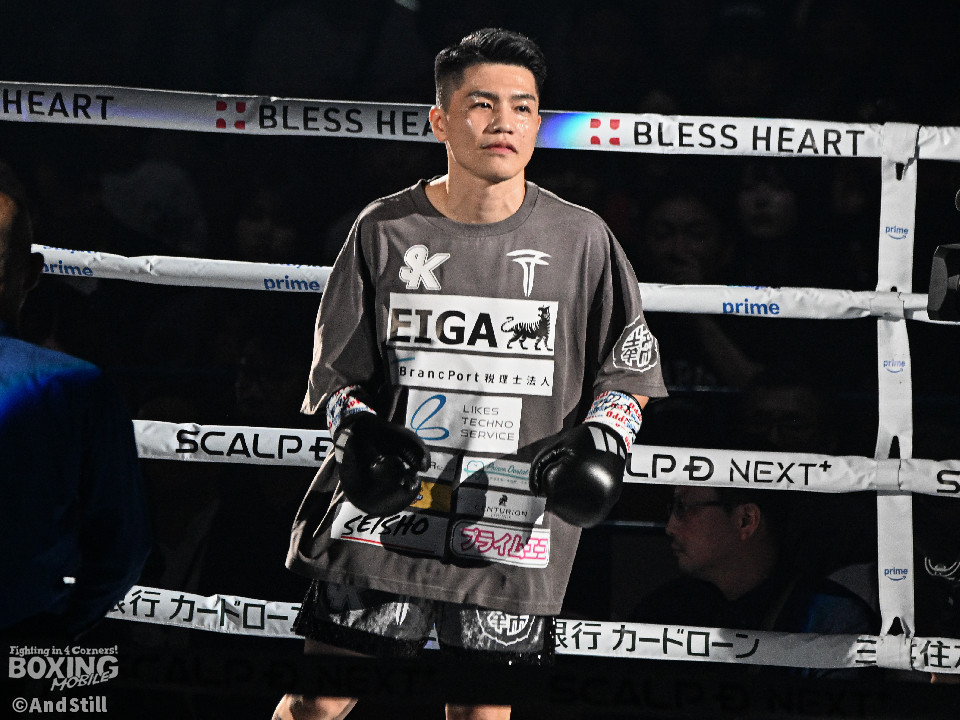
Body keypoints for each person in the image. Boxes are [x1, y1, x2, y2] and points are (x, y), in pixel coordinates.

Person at [275, 28, 667, 720]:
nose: (504, 122)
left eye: (522, 107)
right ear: (441, 121)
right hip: (388, 514)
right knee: (317, 702)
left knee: (481, 716)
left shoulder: (582, 239)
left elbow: (630, 373)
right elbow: (336, 373)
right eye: (482, 104)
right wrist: (356, 430)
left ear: (538, 123)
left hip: (510, 521)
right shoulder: (384, 229)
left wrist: (603, 440)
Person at [0, 160, 152, 643]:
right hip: (23, 633)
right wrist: (59, 630)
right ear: (32, 273)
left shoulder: (76, 387)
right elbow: (123, 550)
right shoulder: (79, 387)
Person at [630, 485, 879, 678]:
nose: (671, 527)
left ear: (746, 520)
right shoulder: (662, 609)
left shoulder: (832, 619)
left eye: (683, 507)